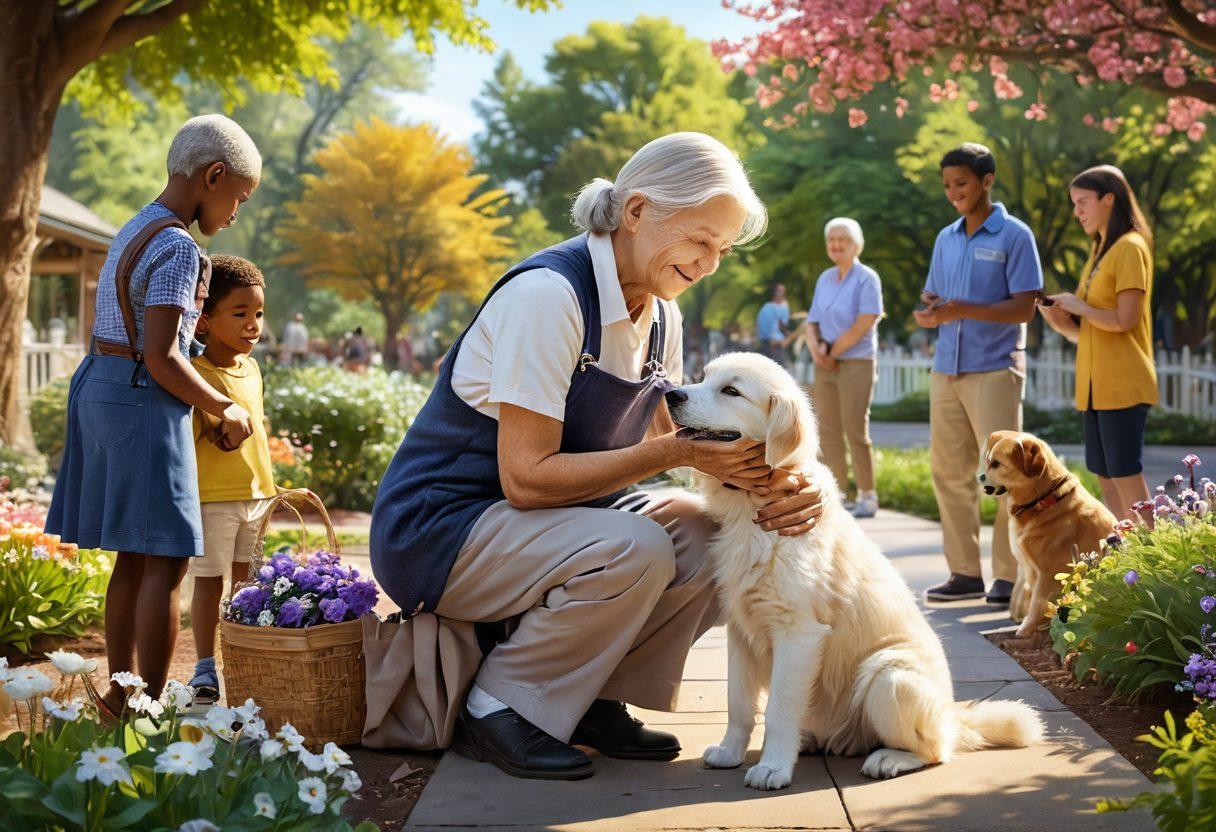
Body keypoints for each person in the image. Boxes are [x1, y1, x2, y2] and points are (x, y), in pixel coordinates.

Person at [369, 132, 825, 781]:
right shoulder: (548, 295)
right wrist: (677, 450)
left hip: (548, 523)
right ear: (637, 211)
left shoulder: (659, 315)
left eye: (721, 249)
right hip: (441, 529)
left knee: (705, 534)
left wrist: (785, 486)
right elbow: (526, 480)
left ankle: (586, 698)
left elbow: (675, 448)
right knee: (634, 546)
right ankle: (498, 706)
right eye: (700, 239)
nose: (710, 262)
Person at [46, 115, 260, 712]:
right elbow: (163, 355)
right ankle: (149, 709)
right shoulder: (180, 248)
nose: (237, 210)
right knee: (165, 560)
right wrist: (222, 407)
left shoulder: (137, 226)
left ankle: (120, 697)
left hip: (101, 386)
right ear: (212, 176)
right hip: (141, 394)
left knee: (133, 560)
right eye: (238, 196)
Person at [914, 142, 1043, 606]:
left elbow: (1025, 306)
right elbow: (932, 297)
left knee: (1006, 474)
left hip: (994, 369)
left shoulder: (1014, 235)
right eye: (947, 185)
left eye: (961, 183)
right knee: (948, 472)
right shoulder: (945, 238)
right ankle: (964, 573)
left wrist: (962, 309)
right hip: (946, 368)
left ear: (987, 181)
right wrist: (928, 314)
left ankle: (1008, 577)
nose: (953, 193)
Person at [1038, 165, 1155, 520]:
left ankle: (1153, 561)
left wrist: (1081, 307)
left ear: (1110, 199)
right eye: (1074, 204)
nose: (1077, 212)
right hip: (1093, 385)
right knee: (1105, 475)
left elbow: (1125, 320)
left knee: (1124, 473)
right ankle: (1128, 562)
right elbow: (1086, 331)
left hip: (1123, 381)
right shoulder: (1100, 250)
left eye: (1083, 202)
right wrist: (1059, 318)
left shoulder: (1130, 247)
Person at [186, 255, 276, 707]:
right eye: (239, 314)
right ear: (203, 322)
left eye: (258, 313)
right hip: (213, 500)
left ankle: (240, 657)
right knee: (209, 583)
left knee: (247, 583)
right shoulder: (196, 375)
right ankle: (205, 667)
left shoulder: (253, 369)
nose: (252, 325)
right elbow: (204, 437)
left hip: (258, 497)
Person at [804, 217, 884, 518]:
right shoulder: (825, 278)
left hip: (856, 362)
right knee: (828, 431)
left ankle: (867, 494)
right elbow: (811, 321)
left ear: (857, 245)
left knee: (855, 430)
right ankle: (839, 494)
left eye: (843, 239)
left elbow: (866, 321)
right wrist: (817, 350)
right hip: (825, 363)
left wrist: (833, 352)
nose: (836, 244)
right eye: (831, 240)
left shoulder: (867, 278)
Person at [756, 282, 792, 366]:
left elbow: (783, 326)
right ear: (775, 293)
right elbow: (768, 332)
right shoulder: (767, 308)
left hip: (776, 346)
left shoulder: (782, 308)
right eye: (780, 291)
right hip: (771, 347)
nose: (783, 294)